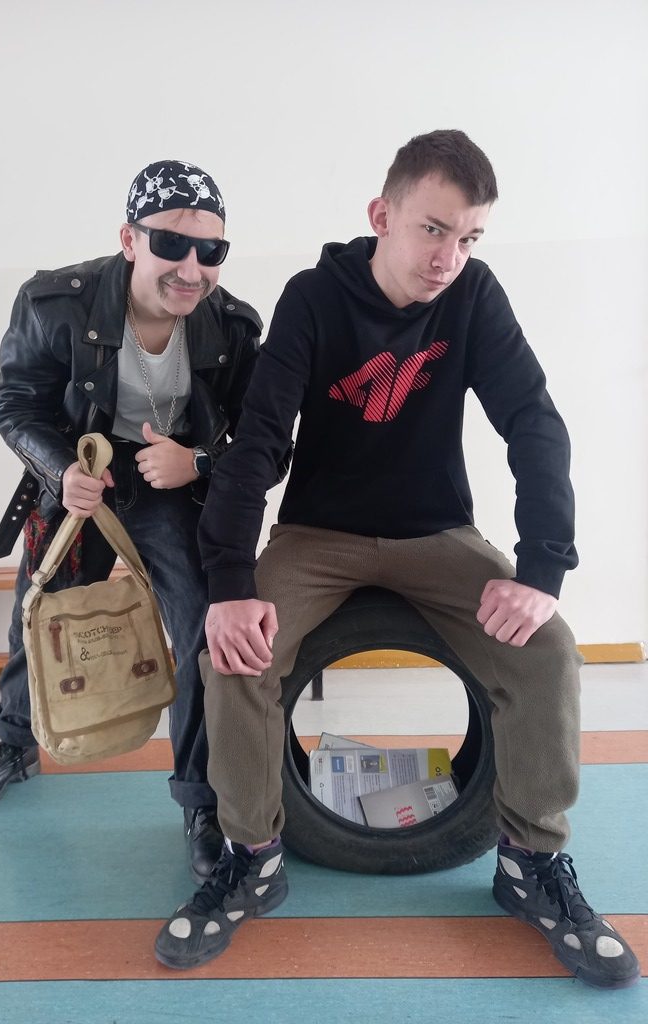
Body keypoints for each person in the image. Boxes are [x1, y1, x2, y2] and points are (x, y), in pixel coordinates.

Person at [153, 131, 641, 988]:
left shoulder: (473, 297)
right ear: (382, 215)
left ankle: (530, 865)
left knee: (549, 650)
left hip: (436, 534)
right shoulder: (314, 298)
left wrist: (542, 570)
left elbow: (533, 422)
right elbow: (259, 439)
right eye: (434, 229)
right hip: (318, 536)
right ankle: (251, 857)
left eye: (470, 237)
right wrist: (230, 581)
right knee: (235, 652)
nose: (449, 257)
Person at [0, 160, 265, 882]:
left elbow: (261, 439)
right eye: (171, 244)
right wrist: (60, 469)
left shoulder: (232, 326)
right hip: (81, 464)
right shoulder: (52, 303)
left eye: (211, 250)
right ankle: (15, 744)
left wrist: (197, 462)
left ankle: (199, 799)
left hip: (169, 473)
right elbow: (16, 404)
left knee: (198, 627)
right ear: (130, 239)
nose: (191, 268)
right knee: (40, 606)